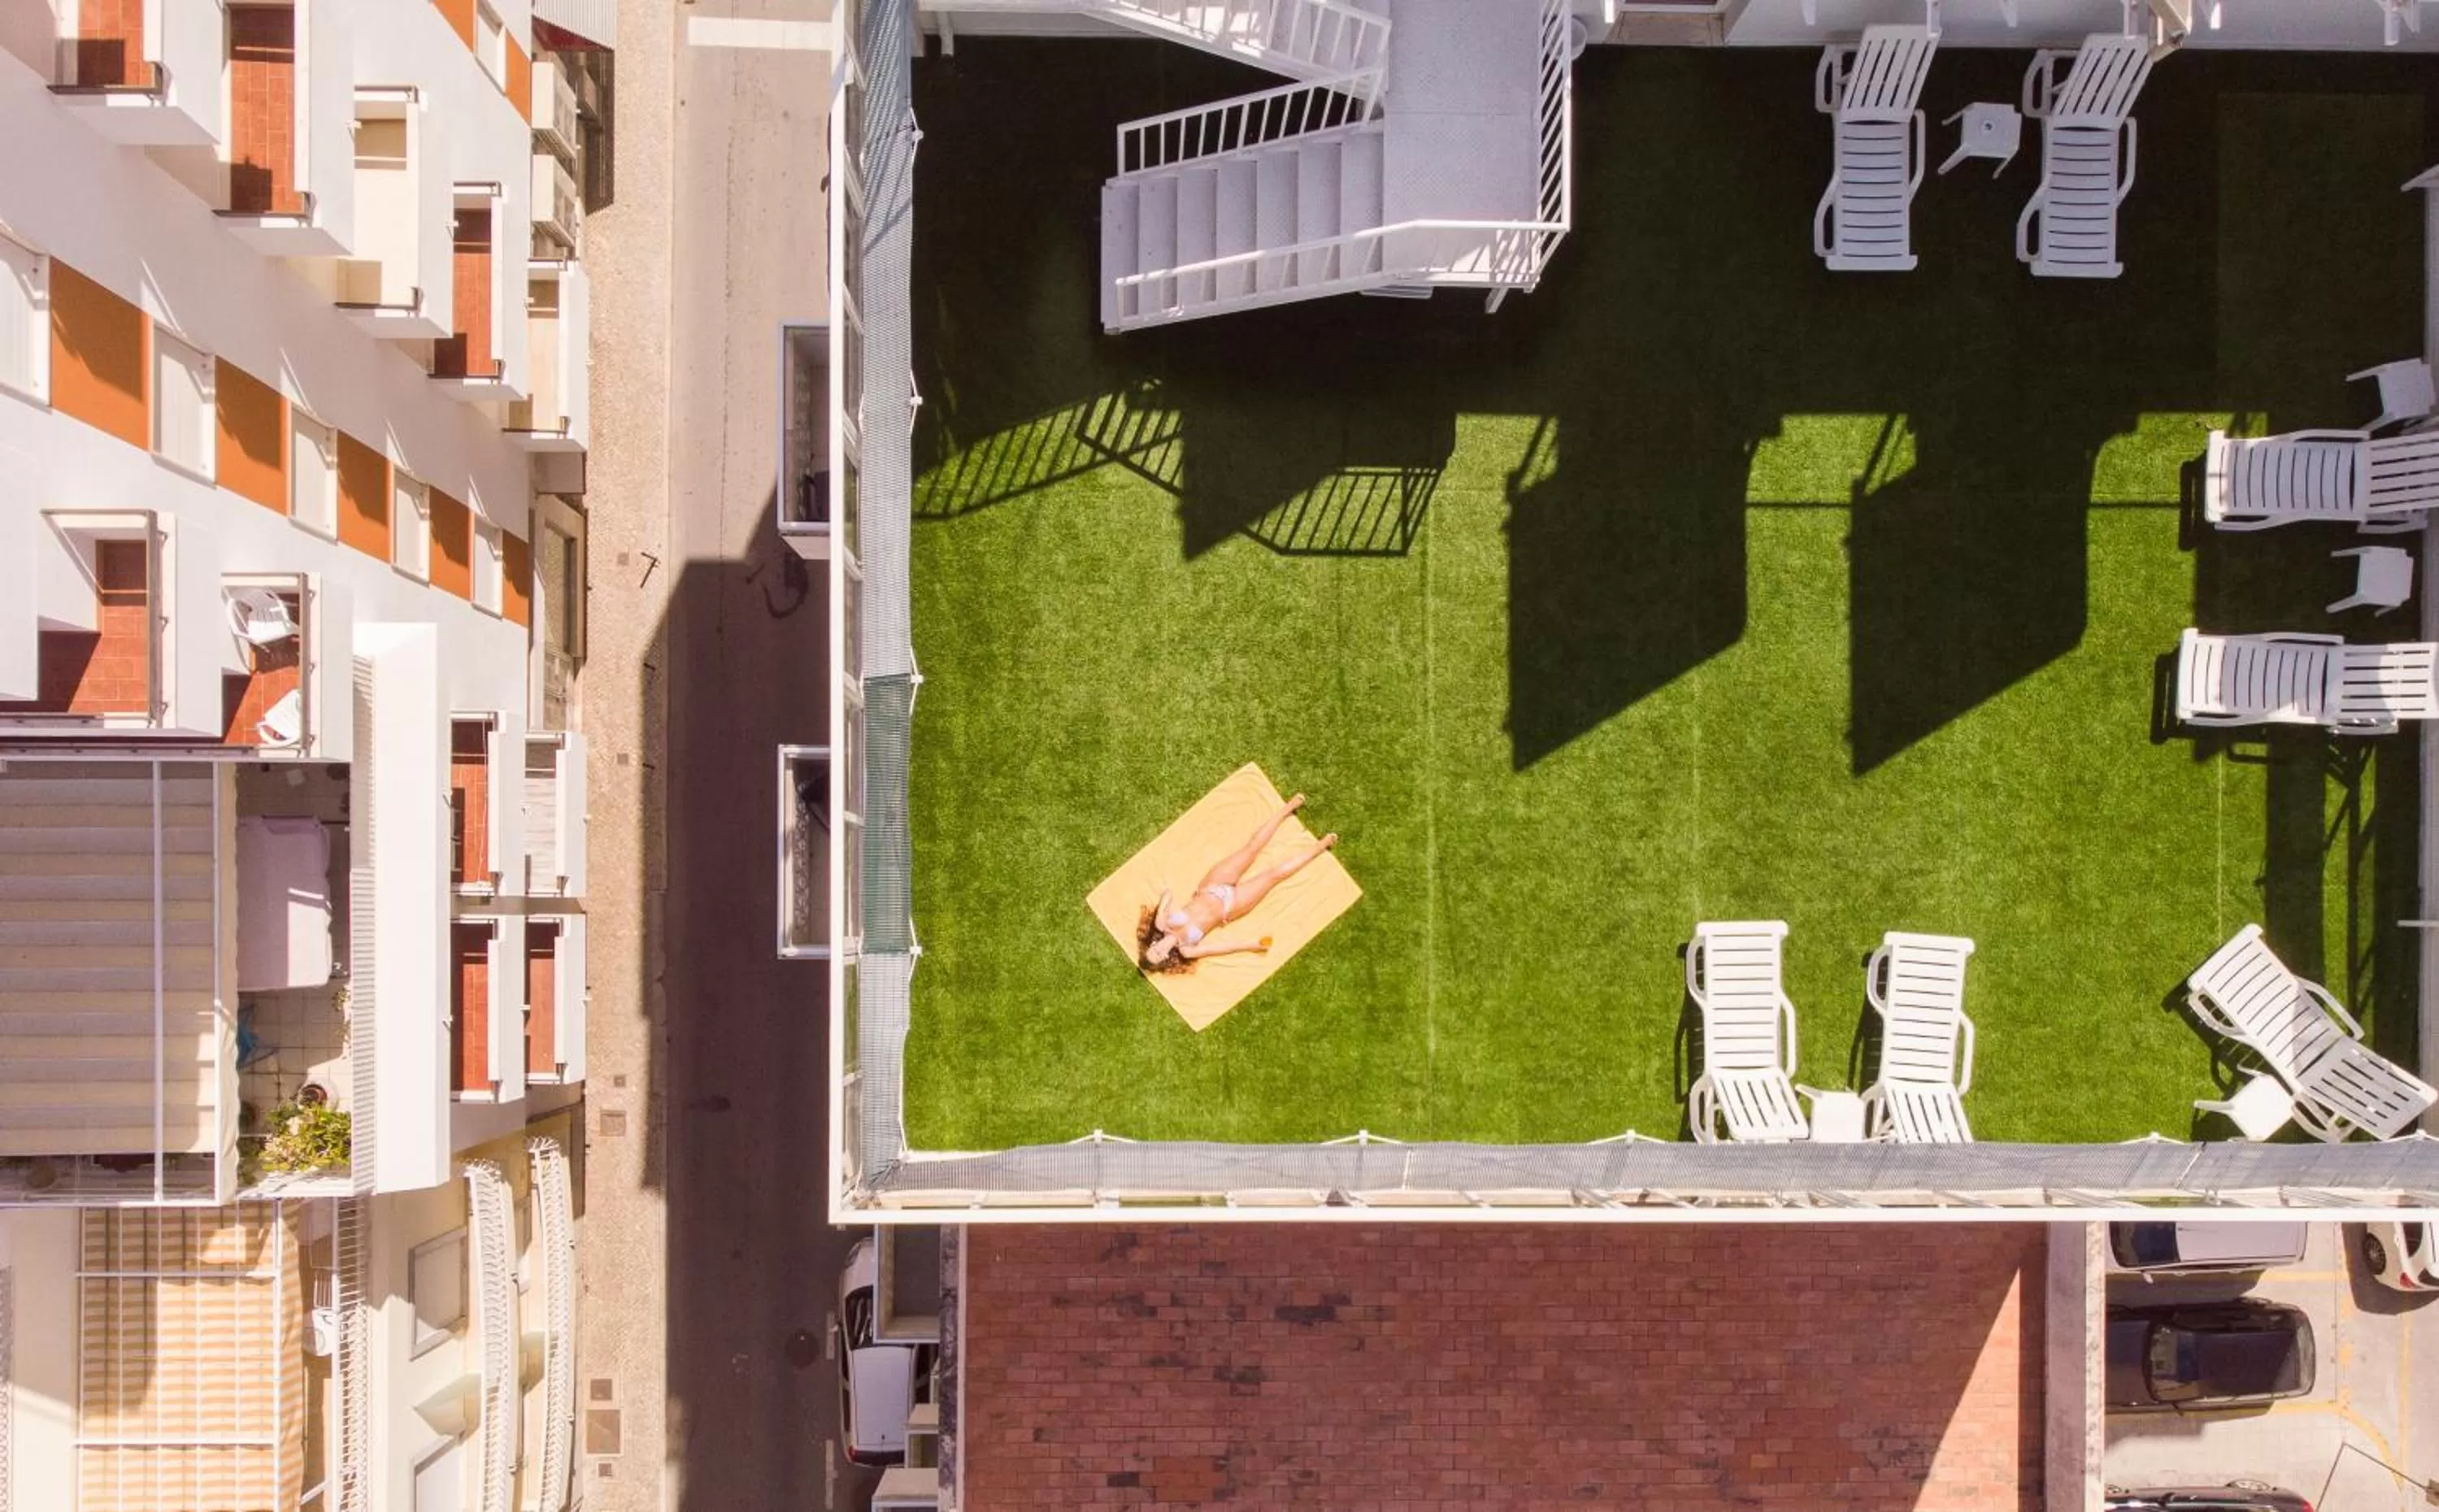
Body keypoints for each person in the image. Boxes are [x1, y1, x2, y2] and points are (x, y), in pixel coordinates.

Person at [1137, 793, 1337, 975]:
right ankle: (1321, 846)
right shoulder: (1187, 950)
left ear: (1154, 944)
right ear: (1165, 958)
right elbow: (1221, 948)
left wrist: (1161, 916)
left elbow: (1168, 893)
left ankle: (1288, 808)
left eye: (1154, 950)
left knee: (1252, 848)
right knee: (1274, 875)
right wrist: (1252, 945)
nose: (1159, 950)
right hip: (1231, 906)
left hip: (1211, 885)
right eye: (1158, 956)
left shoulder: (1164, 925)